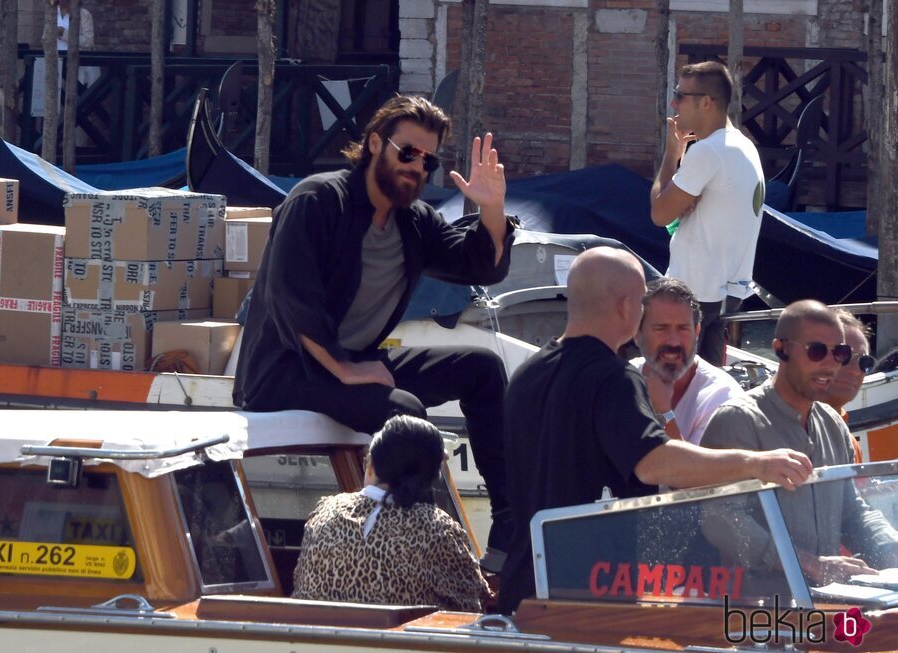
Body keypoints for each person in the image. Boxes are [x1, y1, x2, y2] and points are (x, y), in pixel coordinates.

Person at [232, 94, 516, 568]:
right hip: (286, 371)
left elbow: (479, 264)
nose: (417, 167)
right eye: (407, 152)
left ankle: (509, 526)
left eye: (428, 160)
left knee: (482, 368)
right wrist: (344, 368)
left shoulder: (415, 223)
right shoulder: (317, 200)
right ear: (374, 144)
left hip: (353, 363)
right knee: (403, 410)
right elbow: (291, 298)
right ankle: (429, 552)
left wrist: (492, 208)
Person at [497, 246, 813, 614]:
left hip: (523, 587)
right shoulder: (615, 378)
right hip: (589, 595)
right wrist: (757, 463)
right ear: (627, 307)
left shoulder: (524, 374)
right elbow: (653, 461)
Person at [701, 300, 898, 585]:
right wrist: (807, 563)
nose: (830, 364)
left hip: (826, 604)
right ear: (780, 349)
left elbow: (853, 513)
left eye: (840, 353)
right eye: (817, 351)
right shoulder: (738, 420)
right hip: (758, 611)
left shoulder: (832, 424)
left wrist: (892, 551)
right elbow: (719, 519)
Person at [292, 415, 490, 610]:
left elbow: (300, 582)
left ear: (371, 466)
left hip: (317, 637)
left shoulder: (324, 512)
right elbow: (471, 604)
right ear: (431, 476)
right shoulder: (438, 530)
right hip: (402, 641)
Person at [650, 61, 765, 367]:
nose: (674, 103)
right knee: (707, 388)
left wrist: (672, 153)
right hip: (726, 294)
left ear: (706, 102)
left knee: (674, 386)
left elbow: (660, 213)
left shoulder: (707, 152)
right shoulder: (744, 146)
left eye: (680, 95)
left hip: (694, 294)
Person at [632, 277, 744, 445]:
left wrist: (663, 412)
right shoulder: (623, 379)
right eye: (661, 329)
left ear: (697, 331)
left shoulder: (723, 398)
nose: (674, 341)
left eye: (683, 328)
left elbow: (699, 471)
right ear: (637, 333)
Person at [825, 309, 876, 462]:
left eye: (864, 362)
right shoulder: (782, 429)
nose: (855, 370)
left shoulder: (849, 441)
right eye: (843, 355)